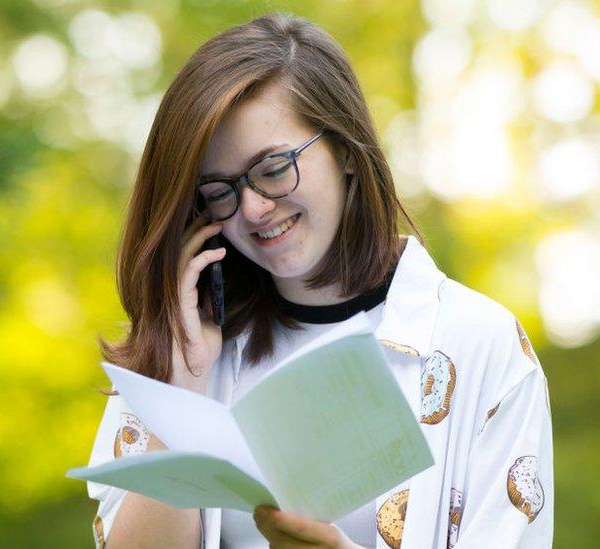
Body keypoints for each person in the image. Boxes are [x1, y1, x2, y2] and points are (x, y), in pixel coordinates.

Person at [84, 12, 553, 549]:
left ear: (347, 151)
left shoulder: (479, 343)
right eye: (221, 190)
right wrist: (182, 388)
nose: (255, 209)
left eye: (274, 167)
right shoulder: (181, 352)